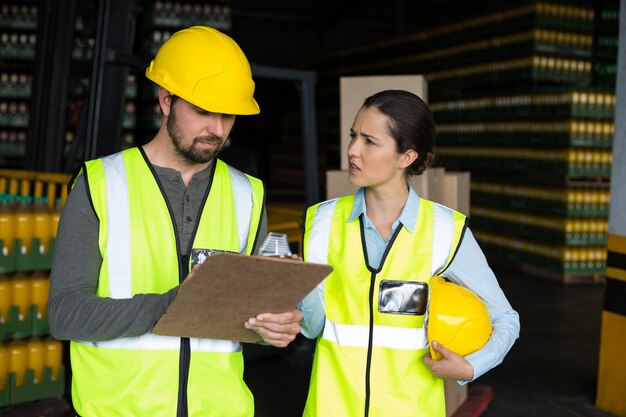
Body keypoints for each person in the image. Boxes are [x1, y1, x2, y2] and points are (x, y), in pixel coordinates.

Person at [48, 26, 302, 417]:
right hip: (121, 409)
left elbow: (251, 315)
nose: (217, 129)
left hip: (219, 409)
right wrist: (171, 306)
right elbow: (65, 314)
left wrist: (274, 329)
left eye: (227, 114)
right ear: (166, 100)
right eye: (203, 111)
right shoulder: (99, 184)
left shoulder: (248, 194)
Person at [298, 90, 520, 417]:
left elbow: (505, 319)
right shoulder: (321, 222)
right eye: (353, 136)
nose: (352, 150)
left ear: (406, 158)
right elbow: (313, 326)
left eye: (369, 142)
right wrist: (294, 286)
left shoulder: (445, 231)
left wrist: (471, 368)